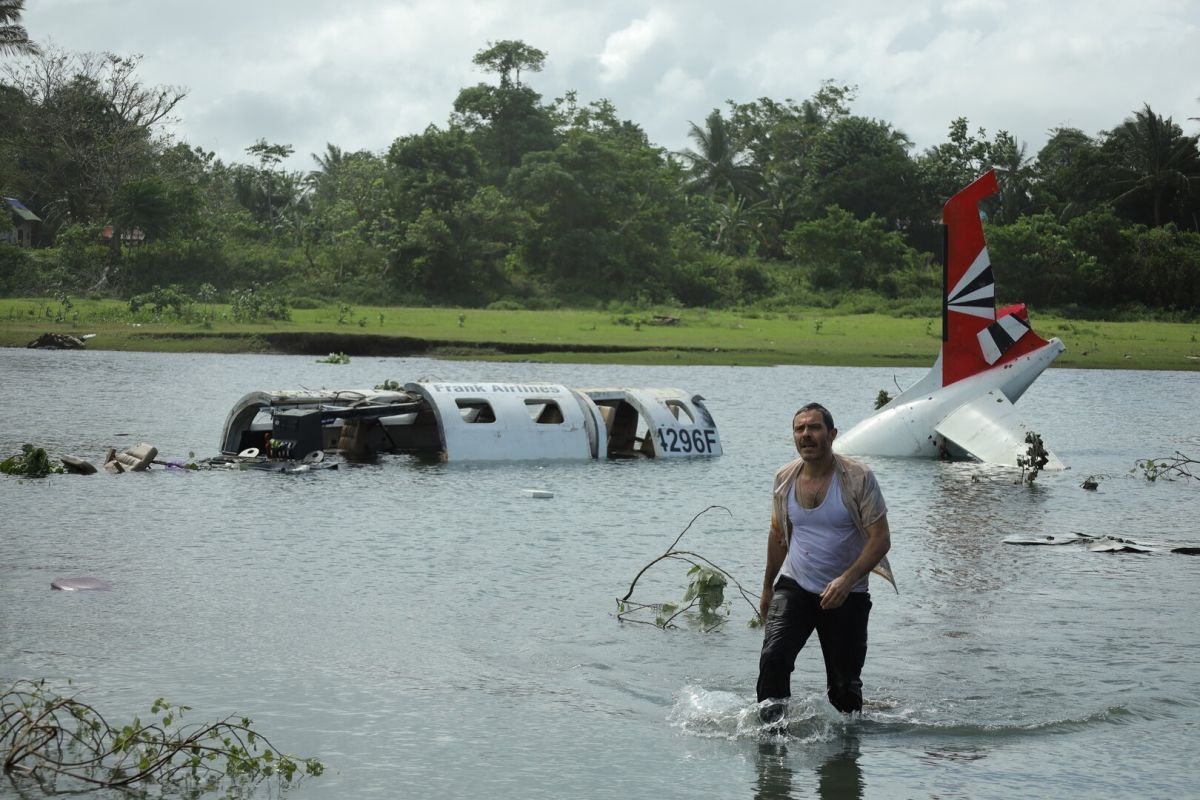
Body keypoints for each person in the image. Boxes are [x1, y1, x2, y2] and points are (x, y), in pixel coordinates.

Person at [756, 403, 895, 722]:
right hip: (795, 585)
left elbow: (880, 539)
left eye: (814, 427)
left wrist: (846, 580)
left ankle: (843, 757)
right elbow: (779, 535)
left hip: (848, 592)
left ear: (831, 434)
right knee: (773, 659)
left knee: (844, 689)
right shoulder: (784, 479)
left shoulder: (858, 478)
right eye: (799, 428)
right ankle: (771, 741)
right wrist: (766, 587)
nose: (806, 434)